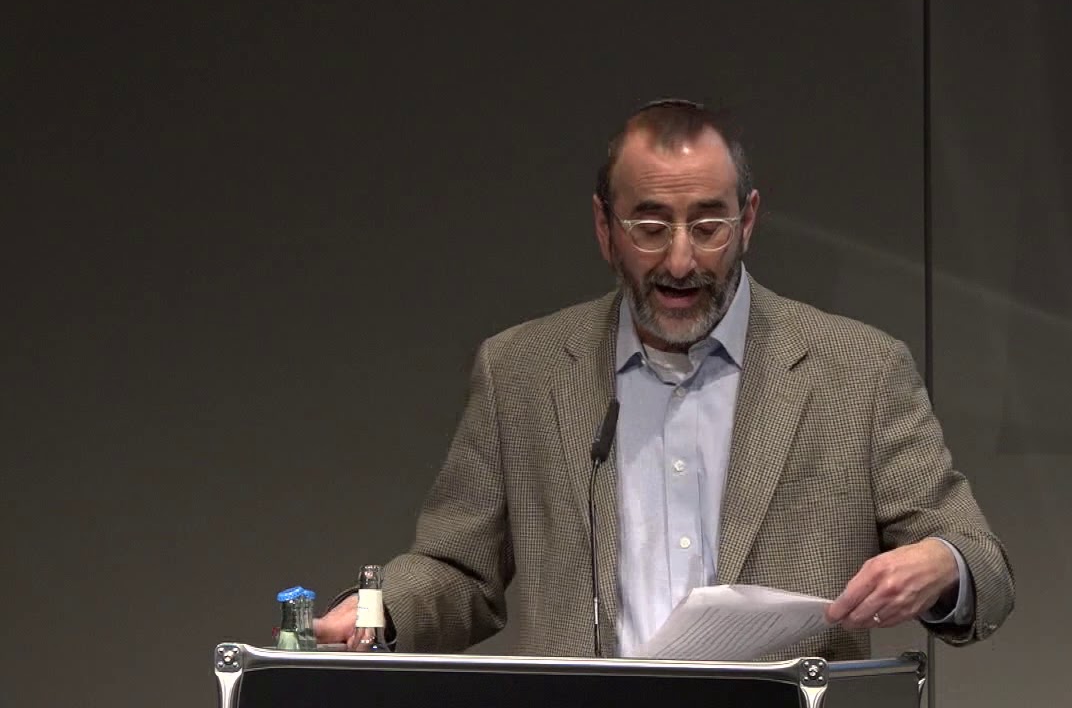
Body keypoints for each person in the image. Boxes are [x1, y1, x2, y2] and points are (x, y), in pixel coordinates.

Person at [315, 99, 1014, 660]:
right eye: (650, 227)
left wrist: (942, 565)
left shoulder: (857, 373)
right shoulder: (522, 372)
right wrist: (376, 614)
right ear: (604, 228)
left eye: (708, 226)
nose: (681, 261)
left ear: (748, 221)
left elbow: (984, 567)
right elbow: (459, 571)